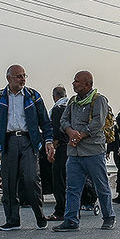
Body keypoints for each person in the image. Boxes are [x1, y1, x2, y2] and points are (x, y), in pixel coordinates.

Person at [0, 65, 54, 231]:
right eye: (18, 76)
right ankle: (13, 220)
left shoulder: (33, 96)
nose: (22, 79)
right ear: (9, 79)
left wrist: (48, 141)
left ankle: (39, 215)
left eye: (24, 76)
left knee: (31, 179)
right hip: (8, 142)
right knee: (9, 183)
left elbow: (45, 121)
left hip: (29, 141)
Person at [55, 71, 116, 231]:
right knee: (72, 188)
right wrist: (70, 132)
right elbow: (63, 120)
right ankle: (71, 220)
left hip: (93, 151)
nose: (73, 84)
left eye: (77, 82)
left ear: (87, 84)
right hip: (74, 152)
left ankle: (109, 217)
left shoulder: (99, 100)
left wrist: (80, 135)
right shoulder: (73, 101)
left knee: (101, 186)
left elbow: (98, 122)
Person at [46, 85, 70, 221]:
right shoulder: (72, 107)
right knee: (71, 181)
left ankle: (60, 211)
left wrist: (52, 151)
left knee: (59, 180)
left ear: (54, 97)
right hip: (74, 147)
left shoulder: (57, 109)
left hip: (62, 147)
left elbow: (56, 132)